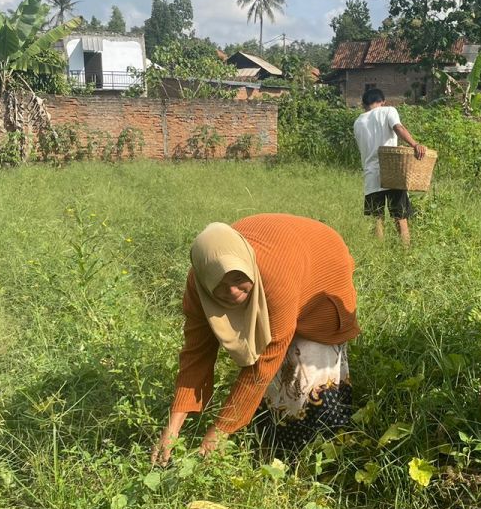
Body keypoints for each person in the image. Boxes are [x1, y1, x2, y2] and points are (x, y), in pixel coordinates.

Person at [152, 213, 361, 464]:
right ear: (205, 280)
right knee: (277, 373)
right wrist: (172, 429)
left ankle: (318, 451)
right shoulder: (199, 284)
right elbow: (196, 353)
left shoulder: (276, 276)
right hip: (287, 252)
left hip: (322, 264)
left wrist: (219, 431)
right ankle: (269, 433)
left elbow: (265, 363)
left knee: (305, 365)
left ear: (248, 267)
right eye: (220, 284)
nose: (232, 292)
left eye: (239, 278)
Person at [353, 88, 427, 246]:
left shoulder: (358, 122)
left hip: (371, 174)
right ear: (383, 101)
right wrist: (415, 144)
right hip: (392, 170)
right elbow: (398, 128)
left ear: (364, 105)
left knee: (377, 217)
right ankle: (405, 251)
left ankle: (379, 251)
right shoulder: (388, 111)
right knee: (400, 216)